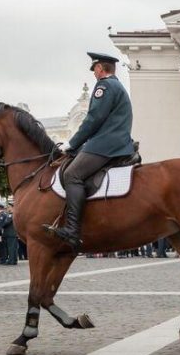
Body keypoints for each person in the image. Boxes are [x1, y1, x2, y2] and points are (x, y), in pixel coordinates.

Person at [44, 52, 135, 249]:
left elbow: (93, 119)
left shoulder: (104, 86)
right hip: (116, 141)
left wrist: (72, 144)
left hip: (106, 144)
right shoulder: (118, 86)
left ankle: (72, 230)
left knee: (72, 175)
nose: (94, 73)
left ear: (100, 68)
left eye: (94, 69)